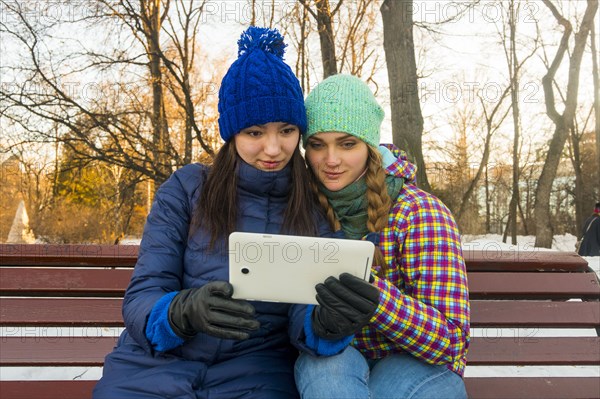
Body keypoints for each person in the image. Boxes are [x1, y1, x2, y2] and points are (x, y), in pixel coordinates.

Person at [93, 28, 376, 399]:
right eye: (255, 132)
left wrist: (326, 322)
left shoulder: (313, 209)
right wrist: (181, 312)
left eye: (287, 130)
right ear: (232, 134)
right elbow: (145, 291)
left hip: (256, 373)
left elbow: (303, 315)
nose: (273, 148)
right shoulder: (186, 189)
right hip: (152, 367)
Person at [295, 74, 470, 399]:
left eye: (347, 144)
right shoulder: (301, 209)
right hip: (336, 355)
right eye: (318, 145)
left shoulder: (419, 212)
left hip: (415, 363)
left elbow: (452, 342)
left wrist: (378, 301)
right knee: (323, 370)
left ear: (369, 146)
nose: (331, 160)